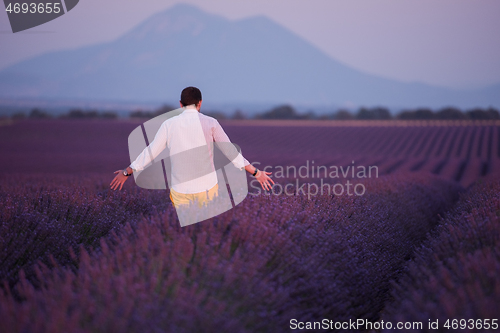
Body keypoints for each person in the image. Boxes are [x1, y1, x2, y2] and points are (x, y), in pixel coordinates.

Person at [110, 86, 274, 208]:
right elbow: (230, 151)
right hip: (208, 189)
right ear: (200, 103)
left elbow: (151, 152)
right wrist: (255, 172)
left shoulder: (169, 124)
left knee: (184, 232)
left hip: (181, 190)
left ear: (180, 104)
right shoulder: (211, 123)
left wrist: (127, 172)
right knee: (207, 232)